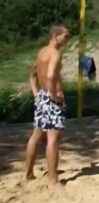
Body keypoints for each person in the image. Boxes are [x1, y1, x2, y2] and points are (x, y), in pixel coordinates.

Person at [25, 24, 71, 188]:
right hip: (52, 98)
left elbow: (32, 75)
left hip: (42, 96)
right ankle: (53, 181)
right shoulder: (55, 53)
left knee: (36, 136)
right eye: (66, 36)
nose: (68, 39)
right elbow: (51, 76)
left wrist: (36, 93)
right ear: (56, 36)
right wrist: (53, 95)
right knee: (53, 138)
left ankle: (29, 173)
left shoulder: (42, 52)